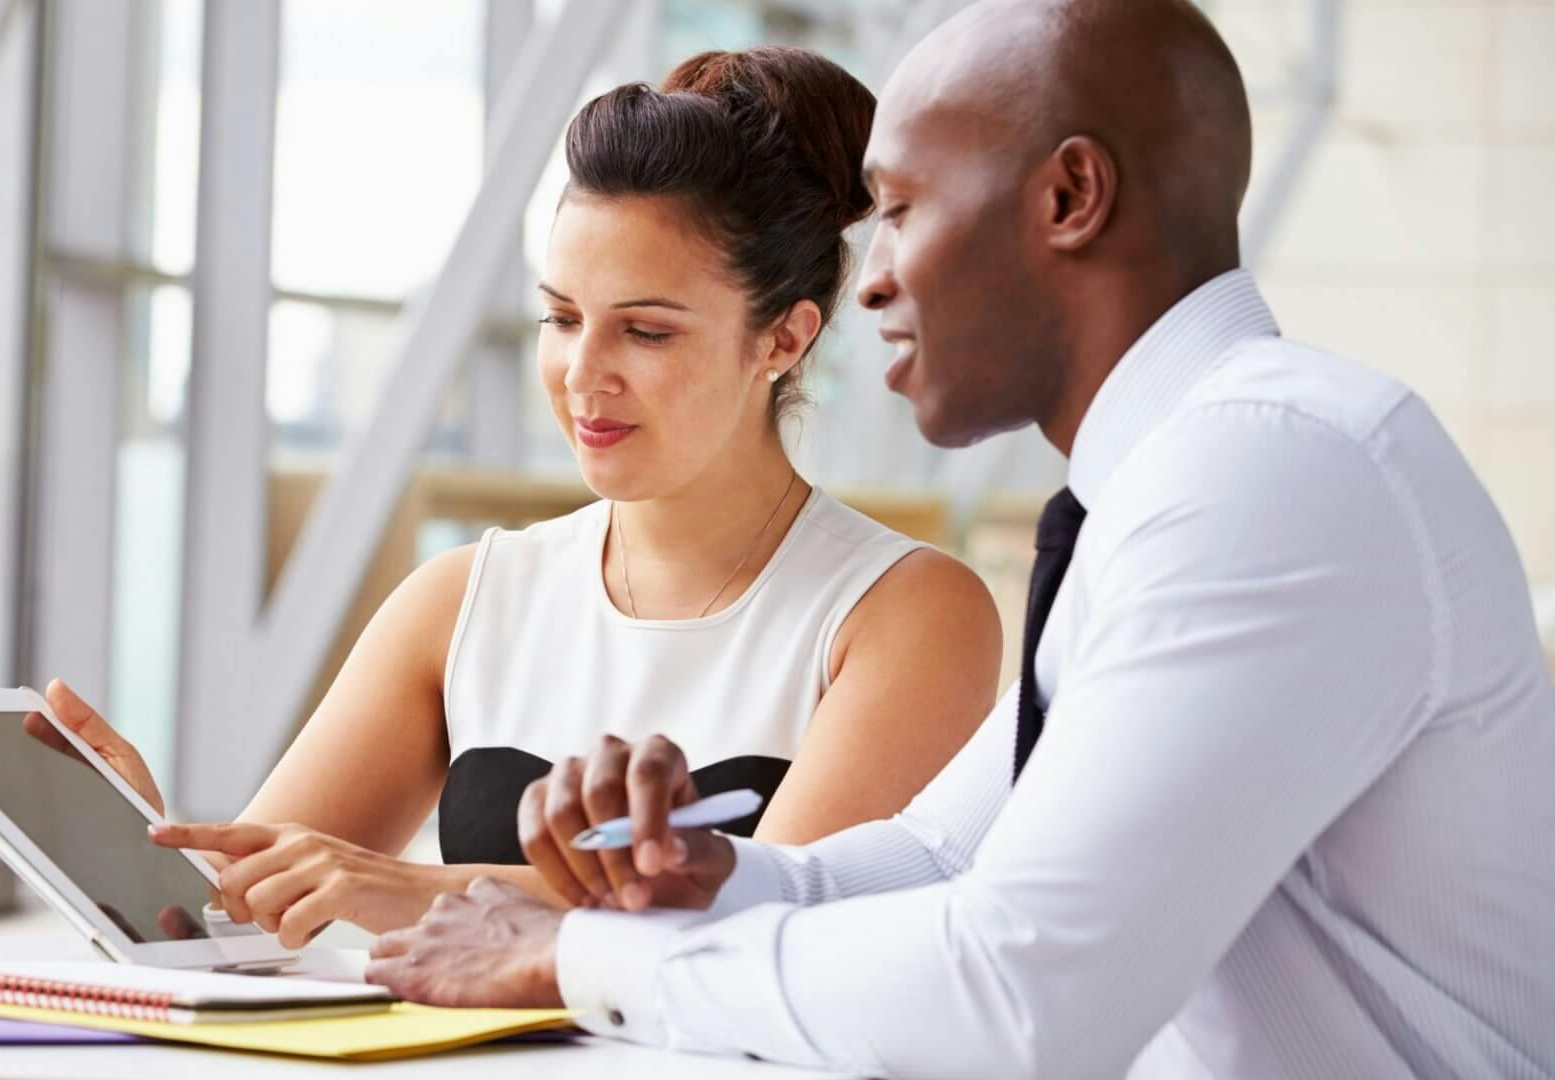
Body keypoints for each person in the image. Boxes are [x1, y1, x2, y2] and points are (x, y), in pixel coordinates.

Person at [363, 2, 1555, 1076]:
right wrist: (705, 881)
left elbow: (1020, 998)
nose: (870, 283)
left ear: (1068, 199)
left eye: (901, 210)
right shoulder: (1173, 483)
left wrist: (580, 961)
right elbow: (940, 858)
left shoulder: (1272, 471)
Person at [36, 47, 1002, 950]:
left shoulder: (909, 614)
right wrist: (135, 845)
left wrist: (418, 891)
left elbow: (774, 927)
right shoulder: (463, 600)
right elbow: (250, 914)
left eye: (646, 332)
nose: (584, 373)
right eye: (561, 318)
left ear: (785, 341)